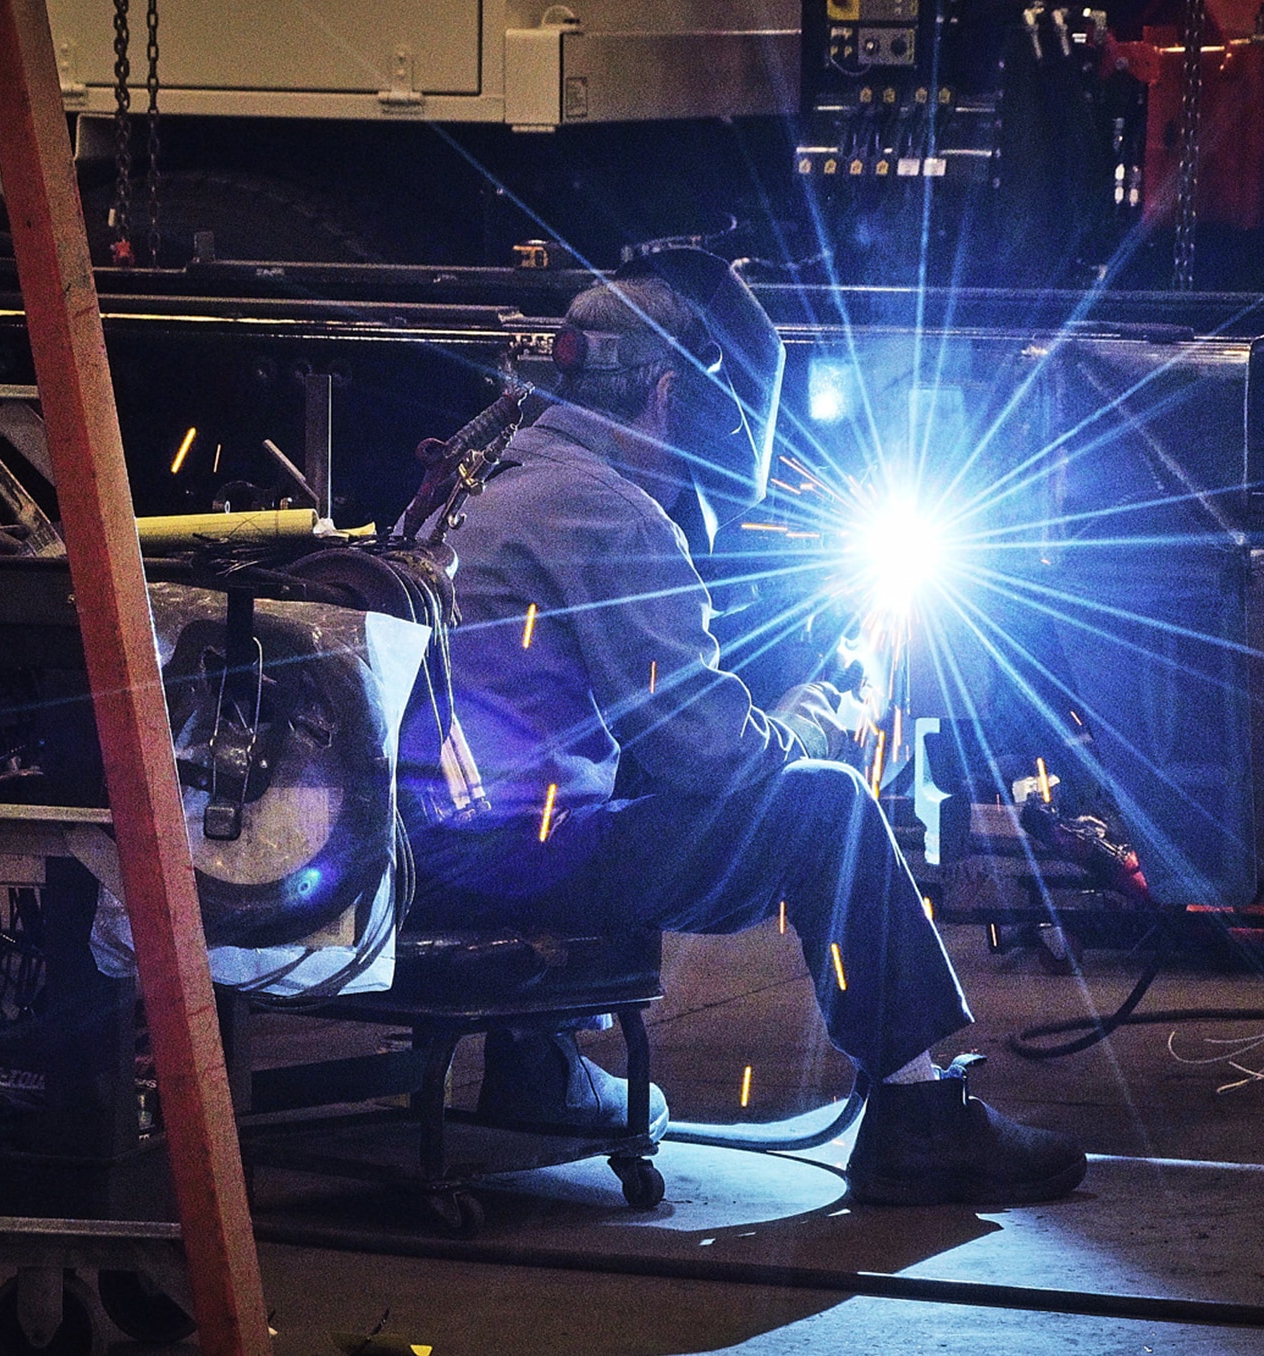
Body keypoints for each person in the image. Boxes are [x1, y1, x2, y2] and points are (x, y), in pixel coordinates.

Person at [401, 252, 1085, 1206]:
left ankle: (538, 1066)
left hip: (414, 860)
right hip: (494, 868)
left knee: (583, 778)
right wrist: (812, 728)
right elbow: (711, 753)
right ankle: (918, 1116)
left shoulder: (480, 479)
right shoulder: (607, 508)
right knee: (825, 809)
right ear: (673, 392)